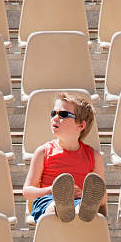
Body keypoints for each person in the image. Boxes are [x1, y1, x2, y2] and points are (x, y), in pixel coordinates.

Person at [23, 92, 106, 223]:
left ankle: (79, 209)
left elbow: (103, 198)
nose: (55, 118)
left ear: (81, 125)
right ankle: (62, 207)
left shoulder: (94, 156)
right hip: (48, 199)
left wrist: (84, 195)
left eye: (62, 115)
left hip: (79, 201)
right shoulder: (43, 152)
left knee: (81, 207)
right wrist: (52, 190)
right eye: (53, 113)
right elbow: (27, 192)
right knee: (53, 207)